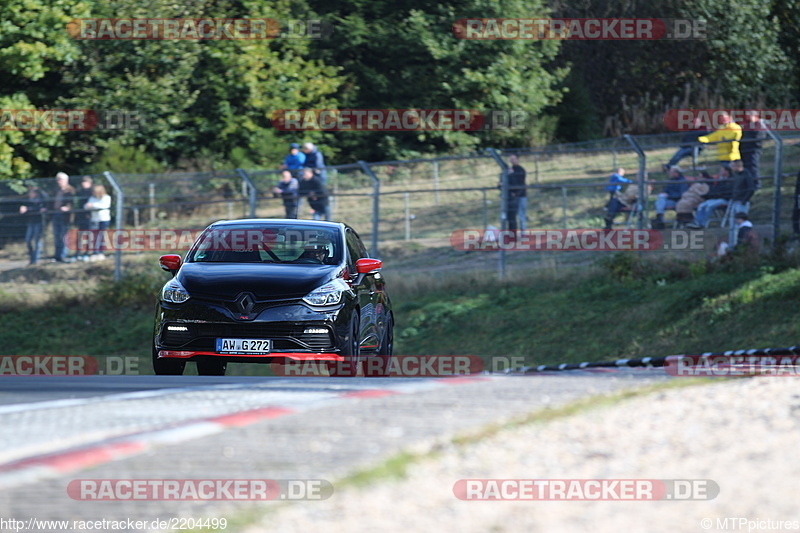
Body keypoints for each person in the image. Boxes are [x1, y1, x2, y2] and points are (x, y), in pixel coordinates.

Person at [18, 186, 49, 265]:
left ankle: (36, 259)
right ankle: (32, 258)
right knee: (28, 240)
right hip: (31, 222)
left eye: (32, 192)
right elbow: (24, 207)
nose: (30, 194)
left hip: (39, 222)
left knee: (37, 240)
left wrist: (28, 209)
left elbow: (39, 208)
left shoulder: (41, 200)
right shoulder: (28, 201)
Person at [51, 172, 75, 262]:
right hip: (55, 213)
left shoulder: (70, 190)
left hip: (65, 216)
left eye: (60, 179)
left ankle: (63, 255)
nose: (58, 181)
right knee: (57, 235)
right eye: (57, 179)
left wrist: (67, 208)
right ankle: (57, 256)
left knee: (64, 235)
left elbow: (72, 203)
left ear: (66, 180)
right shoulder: (56, 190)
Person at [740, 112, 767, 189]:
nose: (748, 117)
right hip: (745, 150)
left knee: (752, 168)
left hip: (753, 150)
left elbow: (759, 138)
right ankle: (748, 184)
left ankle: (756, 184)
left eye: (750, 115)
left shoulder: (759, 125)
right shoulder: (747, 125)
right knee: (746, 168)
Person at [85, 184, 111, 258]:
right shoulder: (92, 198)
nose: (93, 193)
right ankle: (95, 252)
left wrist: (92, 205)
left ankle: (101, 252)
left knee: (101, 236)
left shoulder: (106, 197)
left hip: (103, 219)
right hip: (94, 219)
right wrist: (89, 206)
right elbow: (86, 206)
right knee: (94, 236)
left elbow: (104, 206)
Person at [74, 176, 93, 258]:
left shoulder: (92, 192)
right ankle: (78, 251)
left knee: (88, 234)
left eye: (85, 182)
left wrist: (88, 213)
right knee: (80, 234)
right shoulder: (81, 191)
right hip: (81, 215)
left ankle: (87, 251)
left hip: (89, 215)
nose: (83, 184)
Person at [508, 155, 527, 230]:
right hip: (512, 196)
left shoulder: (521, 170)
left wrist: (516, 193)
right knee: (512, 215)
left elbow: (522, 183)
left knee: (522, 214)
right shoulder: (509, 170)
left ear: (517, 159)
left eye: (514, 159)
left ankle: (523, 232)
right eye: (511, 159)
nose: (513, 160)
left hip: (521, 195)